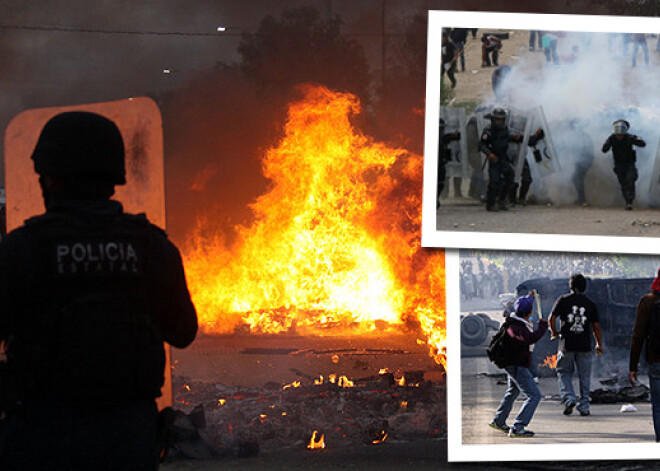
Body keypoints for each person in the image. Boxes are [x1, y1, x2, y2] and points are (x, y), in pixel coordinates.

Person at [0, 111, 198, 470]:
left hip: (42, 437)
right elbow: (183, 332)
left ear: (49, 178)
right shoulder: (151, 246)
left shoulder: (21, 249)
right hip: (128, 439)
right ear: (114, 176)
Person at [489, 294, 548, 438]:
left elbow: (522, 304)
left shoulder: (516, 320)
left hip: (514, 364)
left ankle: (499, 420)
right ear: (528, 312)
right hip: (516, 365)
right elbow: (529, 339)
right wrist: (543, 328)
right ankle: (518, 426)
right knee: (534, 395)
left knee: (513, 392)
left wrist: (530, 297)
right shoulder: (516, 328)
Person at [549, 274, 603, 417]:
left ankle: (569, 398)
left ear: (571, 286)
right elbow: (596, 327)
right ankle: (584, 406)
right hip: (585, 346)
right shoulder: (590, 304)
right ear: (585, 287)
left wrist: (554, 332)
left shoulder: (563, 300)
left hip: (566, 345)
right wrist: (598, 344)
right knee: (584, 376)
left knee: (563, 372)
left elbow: (552, 318)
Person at [629, 268, 660, 441]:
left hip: (656, 360)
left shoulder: (647, 302)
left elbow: (638, 336)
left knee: (658, 405)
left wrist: (633, 367)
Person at [601, 119, 646, 210]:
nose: (619, 136)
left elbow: (643, 144)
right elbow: (604, 150)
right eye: (617, 135)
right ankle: (627, 201)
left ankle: (629, 202)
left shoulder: (630, 137)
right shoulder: (611, 138)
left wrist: (638, 139)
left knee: (630, 179)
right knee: (623, 183)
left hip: (629, 163)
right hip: (619, 164)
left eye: (621, 134)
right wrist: (606, 143)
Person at [437, 118, 461, 208]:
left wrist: (455, 135)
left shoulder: (443, 138)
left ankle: (436, 198)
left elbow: (454, 137)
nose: (439, 131)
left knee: (441, 183)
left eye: (441, 128)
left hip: (441, 163)